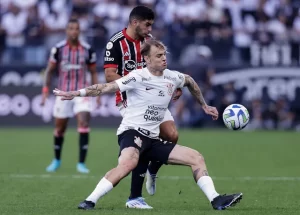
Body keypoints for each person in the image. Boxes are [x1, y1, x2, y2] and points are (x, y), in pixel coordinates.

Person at [53, 39, 243, 210]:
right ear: (147, 59)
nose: (163, 59)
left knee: (196, 157)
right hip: (132, 133)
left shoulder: (172, 76)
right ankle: (89, 201)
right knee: (128, 163)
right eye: (158, 56)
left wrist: (204, 105)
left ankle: (216, 199)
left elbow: (190, 81)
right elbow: (105, 87)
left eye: (164, 55)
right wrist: (76, 94)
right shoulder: (137, 77)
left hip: (152, 139)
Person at [103, 5, 182, 208]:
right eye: (147, 25)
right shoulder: (116, 43)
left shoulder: (149, 42)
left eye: (151, 25)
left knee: (172, 135)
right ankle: (135, 196)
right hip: (131, 100)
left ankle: (153, 169)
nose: (149, 29)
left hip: (154, 97)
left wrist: (172, 85)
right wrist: (139, 86)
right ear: (134, 22)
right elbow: (110, 75)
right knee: (145, 137)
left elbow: (160, 67)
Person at [41, 19, 100, 174]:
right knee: (60, 128)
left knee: (84, 122)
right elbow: (49, 70)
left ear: (79, 31)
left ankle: (81, 163)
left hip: (82, 93)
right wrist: (46, 89)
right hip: (63, 92)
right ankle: (57, 160)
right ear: (67, 31)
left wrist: (98, 93)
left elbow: (93, 72)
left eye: (77, 28)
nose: (74, 31)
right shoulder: (58, 49)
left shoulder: (88, 49)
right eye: (71, 28)